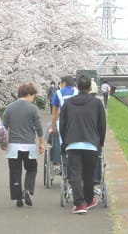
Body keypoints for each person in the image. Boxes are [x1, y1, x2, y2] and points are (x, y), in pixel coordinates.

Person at [59, 73, 106, 214]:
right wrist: (101, 142)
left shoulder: (68, 103)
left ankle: (79, 204)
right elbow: (102, 125)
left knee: (75, 173)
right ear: (90, 86)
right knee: (88, 174)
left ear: (77, 86)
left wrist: (65, 141)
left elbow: (62, 125)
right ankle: (89, 199)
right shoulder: (97, 103)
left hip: (72, 143)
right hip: (91, 143)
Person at [3, 83, 44, 207]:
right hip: (29, 145)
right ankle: (27, 189)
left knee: (15, 171)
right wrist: (41, 142)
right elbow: (38, 128)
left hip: (13, 145)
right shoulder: (33, 108)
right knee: (32, 168)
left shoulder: (9, 108)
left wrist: (2, 142)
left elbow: (3, 127)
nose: (33, 98)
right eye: (33, 96)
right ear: (28, 95)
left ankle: (18, 198)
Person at [48, 76, 78, 164]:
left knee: (62, 143)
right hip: (77, 122)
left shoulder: (59, 93)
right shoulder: (78, 92)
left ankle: (63, 162)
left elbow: (54, 114)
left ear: (63, 84)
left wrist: (53, 128)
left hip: (63, 122)